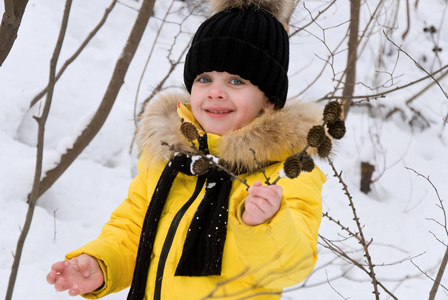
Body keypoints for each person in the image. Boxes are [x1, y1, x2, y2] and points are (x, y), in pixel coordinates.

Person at [46, 0, 328, 299]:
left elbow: (289, 267)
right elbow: (133, 231)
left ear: (269, 99)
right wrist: (101, 263)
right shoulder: (170, 159)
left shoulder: (285, 174)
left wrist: (266, 223)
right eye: (204, 79)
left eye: (236, 81)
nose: (216, 91)